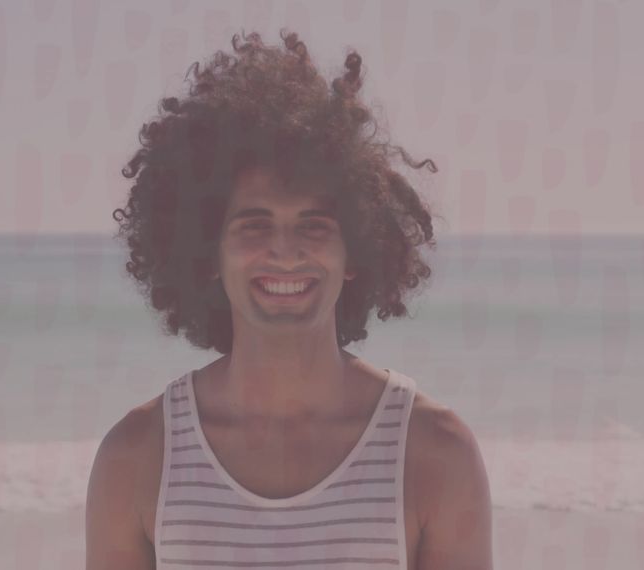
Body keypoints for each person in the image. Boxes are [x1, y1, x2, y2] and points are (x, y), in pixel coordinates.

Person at [86, 29, 491, 570]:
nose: (285, 250)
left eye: (313, 224)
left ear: (355, 252)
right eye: (254, 224)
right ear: (208, 251)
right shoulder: (137, 458)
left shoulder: (434, 452)